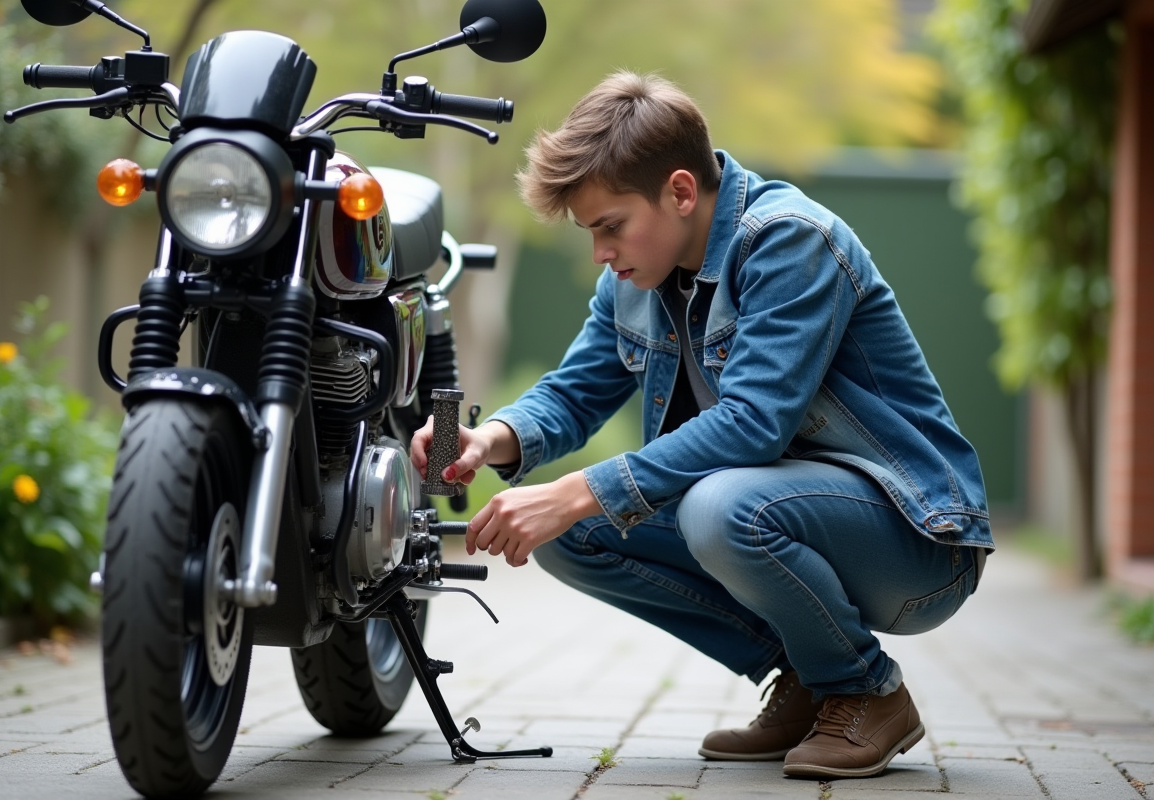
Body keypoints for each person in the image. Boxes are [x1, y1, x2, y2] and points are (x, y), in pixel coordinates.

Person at [409, 71, 993, 780]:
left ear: (681, 192)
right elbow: (573, 392)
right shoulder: (633, 280)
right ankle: (811, 679)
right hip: (787, 511)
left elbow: (753, 424)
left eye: (610, 226)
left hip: (918, 541)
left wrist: (576, 490)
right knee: (566, 530)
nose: (600, 253)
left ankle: (867, 691)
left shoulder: (790, 241)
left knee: (716, 507)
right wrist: (487, 439)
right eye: (590, 233)